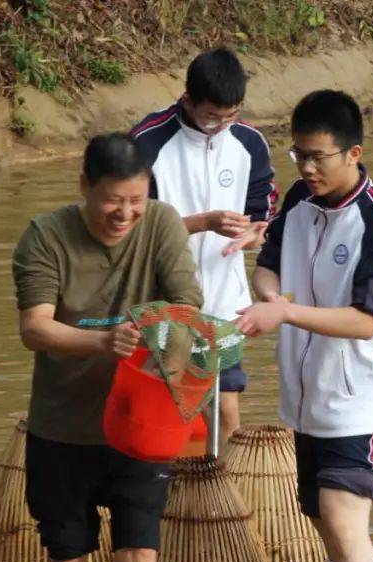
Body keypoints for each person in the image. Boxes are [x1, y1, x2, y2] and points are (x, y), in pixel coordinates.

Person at [12, 133, 201, 562]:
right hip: (64, 427)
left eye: (136, 201)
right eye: (113, 200)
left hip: (141, 429)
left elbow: (187, 303)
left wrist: (170, 351)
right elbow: (35, 329)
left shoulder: (161, 223)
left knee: (138, 556)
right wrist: (103, 341)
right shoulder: (45, 236)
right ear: (84, 188)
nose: (125, 213)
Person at [235, 90, 373, 562]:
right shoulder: (298, 200)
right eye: (299, 156)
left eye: (319, 157)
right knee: (325, 522)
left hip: (357, 398)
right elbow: (266, 266)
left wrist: (284, 310)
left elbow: (366, 321)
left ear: (354, 153)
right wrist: (269, 298)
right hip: (304, 398)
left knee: (340, 519)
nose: (307, 168)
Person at [130, 47, 277, 449]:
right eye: (212, 115)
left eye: (231, 116)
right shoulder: (147, 143)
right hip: (161, 304)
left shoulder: (250, 143)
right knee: (165, 411)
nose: (221, 125)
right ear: (188, 99)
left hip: (224, 305)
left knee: (227, 410)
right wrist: (202, 223)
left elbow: (264, 210)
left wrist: (256, 233)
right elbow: (128, 232)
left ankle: (217, 494)